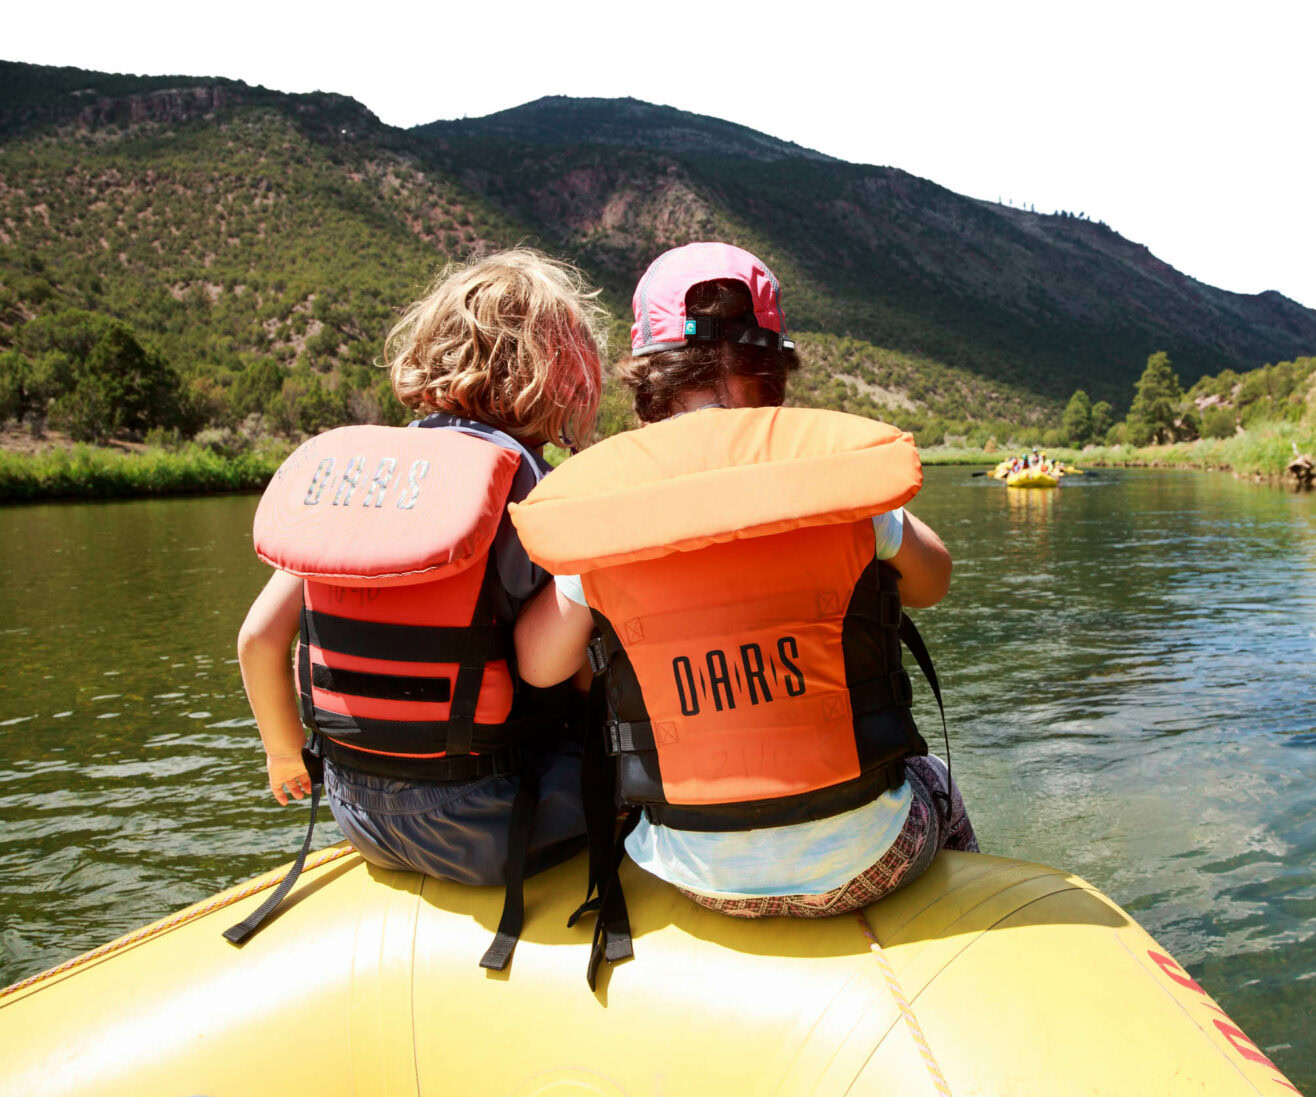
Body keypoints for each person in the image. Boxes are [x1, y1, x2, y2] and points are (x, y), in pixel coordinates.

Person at [511, 242, 978, 987]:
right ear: (776, 372)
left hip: (695, 869)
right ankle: (965, 964)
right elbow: (933, 581)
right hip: (871, 856)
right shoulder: (837, 480)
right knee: (937, 783)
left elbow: (539, 665)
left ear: (648, 384)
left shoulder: (604, 509)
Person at [233, 248, 607, 968]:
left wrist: (286, 755)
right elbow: (558, 672)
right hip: (495, 819)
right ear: (561, 375)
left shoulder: (355, 481)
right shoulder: (525, 489)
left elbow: (257, 639)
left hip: (356, 813)